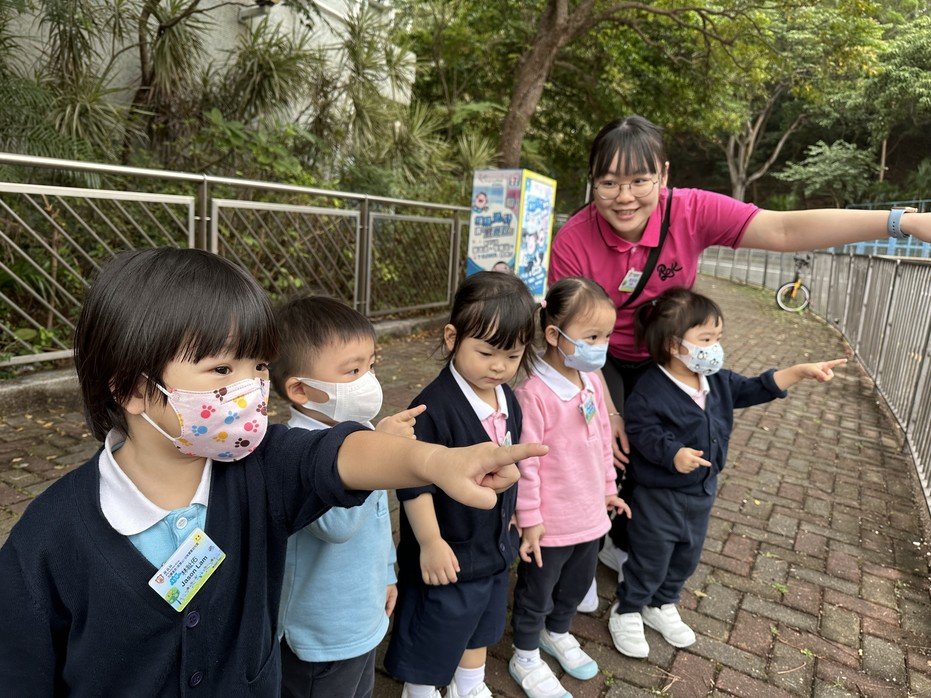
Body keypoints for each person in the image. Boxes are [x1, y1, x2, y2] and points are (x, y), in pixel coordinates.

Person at [0, 248, 546, 695]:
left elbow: (338, 455)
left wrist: (435, 461)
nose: (251, 388)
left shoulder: (257, 466)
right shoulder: (47, 541)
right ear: (132, 388)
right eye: (221, 368)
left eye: (258, 365)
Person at [548, 114, 931, 581]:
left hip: (665, 356)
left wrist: (901, 222)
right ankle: (579, 549)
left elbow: (784, 230)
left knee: (665, 449)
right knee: (600, 447)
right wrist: (606, 411)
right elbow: (569, 339)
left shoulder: (689, 210)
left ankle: (626, 541)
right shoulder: (574, 240)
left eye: (639, 181)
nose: (624, 197)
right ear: (592, 181)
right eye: (608, 183)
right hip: (597, 358)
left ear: (663, 175)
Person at [607, 287, 845, 658]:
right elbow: (642, 431)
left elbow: (754, 388)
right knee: (650, 556)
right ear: (673, 345)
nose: (715, 347)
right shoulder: (649, 390)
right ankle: (629, 608)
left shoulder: (716, 380)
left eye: (718, 338)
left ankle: (662, 603)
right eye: (706, 339)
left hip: (702, 491)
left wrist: (798, 372)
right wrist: (673, 453)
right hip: (659, 494)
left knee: (687, 554)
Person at [384, 271, 537, 698]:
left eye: (513, 355)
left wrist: (513, 515)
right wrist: (430, 542)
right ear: (453, 337)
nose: (499, 366)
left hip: (491, 546)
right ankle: (419, 690)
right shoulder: (432, 407)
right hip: (447, 550)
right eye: (486, 353)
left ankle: (469, 685)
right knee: (435, 626)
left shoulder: (508, 398)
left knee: (482, 622)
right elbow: (412, 484)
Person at [271, 295, 425, 698]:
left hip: (363, 612)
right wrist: (378, 453)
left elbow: (378, 520)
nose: (368, 380)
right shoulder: (298, 452)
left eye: (370, 366)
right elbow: (338, 526)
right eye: (352, 371)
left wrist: (388, 574)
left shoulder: (361, 429)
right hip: (320, 633)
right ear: (301, 389)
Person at [509, 277, 631, 698]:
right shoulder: (533, 394)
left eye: (607, 336)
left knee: (577, 585)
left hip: (590, 515)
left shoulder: (591, 380)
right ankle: (525, 652)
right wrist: (529, 519)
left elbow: (601, 442)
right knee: (537, 590)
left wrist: (608, 489)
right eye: (592, 336)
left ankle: (557, 632)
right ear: (553, 334)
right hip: (550, 522)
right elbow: (526, 464)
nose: (601, 345)